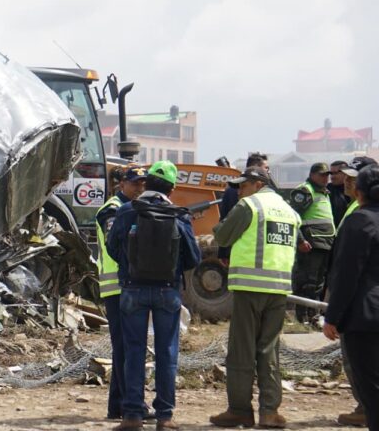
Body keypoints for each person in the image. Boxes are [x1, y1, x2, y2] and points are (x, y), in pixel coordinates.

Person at [107, 160, 201, 431]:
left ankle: (133, 416)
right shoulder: (178, 215)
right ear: (172, 188)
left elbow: (113, 248)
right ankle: (165, 417)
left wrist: (130, 268)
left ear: (146, 182)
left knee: (133, 351)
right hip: (167, 291)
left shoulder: (126, 211)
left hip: (132, 290)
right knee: (166, 353)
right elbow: (193, 257)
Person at [209, 167, 300, 429]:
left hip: (250, 288)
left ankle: (239, 410)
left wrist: (220, 223)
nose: (239, 191)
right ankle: (270, 412)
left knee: (242, 350)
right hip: (279, 289)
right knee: (269, 350)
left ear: (258, 184)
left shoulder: (250, 206)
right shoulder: (287, 210)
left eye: (242, 185)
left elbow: (223, 235)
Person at [323, 164, 379, 431]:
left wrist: (332, 317)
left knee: (372, 392)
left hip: (365, 318)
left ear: (358, 190)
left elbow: (347, 274)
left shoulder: (359, 220)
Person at [95, 165, 147, 420]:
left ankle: (117, 405)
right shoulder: (112, 210)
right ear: (121, 184)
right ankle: (130, 405)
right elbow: (116, 243)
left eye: (142, 184)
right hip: (117, 285)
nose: (140, 188)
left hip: (127, 285)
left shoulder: (133, 208)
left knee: (124, 348)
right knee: (126, 347)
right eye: (135, 183)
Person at [289, 162, 335, 323]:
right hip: (311, 244)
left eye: (327, 175)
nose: (326, 178)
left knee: (318, 282)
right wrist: (300, 240)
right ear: (312, 174)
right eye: (322, 175)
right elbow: (292, 217)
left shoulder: (324, 192)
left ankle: (313, 316)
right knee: (307, 281)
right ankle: (304, 317)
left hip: (324, 243)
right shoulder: (305, 191)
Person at [218, 153, 270, 263]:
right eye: (266, 168)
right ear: (256, 167)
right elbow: (225, 222)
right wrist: (224, 253)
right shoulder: (234, 194)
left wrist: (223, 252)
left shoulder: (270, 199)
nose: (239, 192)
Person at [327, 160, 351, 227]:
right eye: (331, 173)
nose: (332, 177)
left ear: (346, 173)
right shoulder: (327, 190)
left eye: (335, 173)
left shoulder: (355, 190)